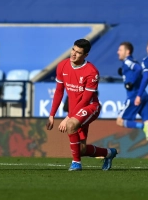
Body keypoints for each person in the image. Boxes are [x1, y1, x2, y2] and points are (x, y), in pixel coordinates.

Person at [46, 39, 117, 171]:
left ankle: (76, 164)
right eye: (73, 50)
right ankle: (109, 153)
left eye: (78, 52)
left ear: (85, 55)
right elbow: (59, 91)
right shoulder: (62, 65)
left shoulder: (91, 72)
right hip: (75, 110)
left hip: (90, 107)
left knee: (71, 124)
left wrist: (68, 117)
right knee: (81, 149)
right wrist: (52, 115)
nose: (73, 54)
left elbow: (86, 99)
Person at [116, 42, 148, 140]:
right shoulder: (130, 62)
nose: (118, 52)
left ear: (128, 51)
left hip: (134, 96)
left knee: (120, 121)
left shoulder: (128, 61)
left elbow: (138, 69)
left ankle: (141, 127)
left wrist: (131, 82)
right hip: (143, 95)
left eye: (120, 50)